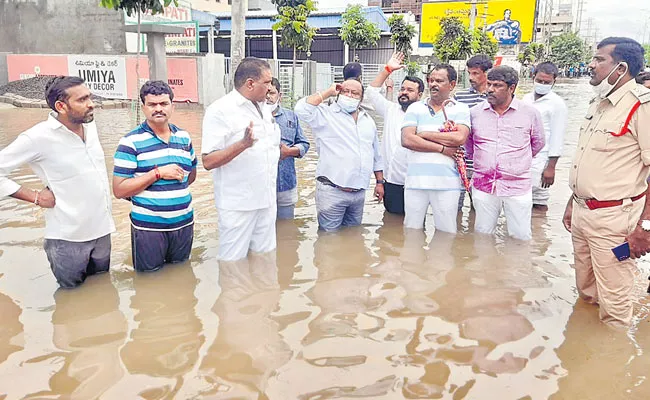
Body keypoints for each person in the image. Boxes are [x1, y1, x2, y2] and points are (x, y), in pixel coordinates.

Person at [562, 37, 650, 329]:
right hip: (583, 213)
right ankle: (584, 350)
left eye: (599, 60)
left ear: (621, 67)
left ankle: (613, 360)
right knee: (586, 291)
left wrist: (645, 227)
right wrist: (572, 203)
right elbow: (586, 160)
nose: (591, 65)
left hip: (615, 219)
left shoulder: (641, 106)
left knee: (615, 306)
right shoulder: (598, 103)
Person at [0, 76, 115, 288]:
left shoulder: (90, 126)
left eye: (89, 97)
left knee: (103, 294)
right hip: (68, 240)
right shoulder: (37, 137)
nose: (91, 104)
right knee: (71, 302)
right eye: (82, 100)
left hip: (102, 231)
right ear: (61, 106)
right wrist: (34, 197)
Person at [113, 81, 197, 272]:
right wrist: (157, 174)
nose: (158, 109)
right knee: (149, 285)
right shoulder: (130, 142)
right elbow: (119, 190)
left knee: (182, 277)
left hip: (184, 224)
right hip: (149, 229)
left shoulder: (184, 137)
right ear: (143, 107)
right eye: (152, 104)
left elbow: (190, 176)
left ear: (172, 106)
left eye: (163, 104)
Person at [202, 57, 280, 261]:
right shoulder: (220, 111)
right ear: (250, 84)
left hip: (266, 200)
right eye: (267, 82)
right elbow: (208, 161)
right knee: (233, 265)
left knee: (266, 259)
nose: (271, 87)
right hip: (238, 205)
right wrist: (242, 144)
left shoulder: (264, 108)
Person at [295, 79, 385, 231]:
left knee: (353, 237)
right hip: (332, 191)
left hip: (359, 193)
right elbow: (301, 109)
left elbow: (376, 154)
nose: (349, 95)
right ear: (338, 93)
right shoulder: (325, 114)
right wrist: (327, 92)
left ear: (361, 98)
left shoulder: (368, 121)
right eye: (345, 91)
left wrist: (379, 182)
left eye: (355, 93)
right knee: (328, 241)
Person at [467, 66, 545, 241]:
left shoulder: (530, 113)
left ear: (512, 88)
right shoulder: (475, 113)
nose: (490, 90)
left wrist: (516, 162)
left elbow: (538, 143)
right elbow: (469, 145)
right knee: (482, 234)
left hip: (517, 186)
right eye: (489, 84)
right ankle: (485, 269)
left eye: (497, 85)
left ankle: (514, 269)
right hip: (483, 184)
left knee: (520, 237)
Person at [401, 64, 471, 232]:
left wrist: (424, 134)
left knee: (447, 233)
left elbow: (459, 138)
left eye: (439, 81)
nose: (433, 84)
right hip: (415, 182)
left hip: (448, 184)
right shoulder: (415, 108)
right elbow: (407, 140)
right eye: (431, 80)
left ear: (452, 85)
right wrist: (443, 149)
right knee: (411, 232)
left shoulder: (460, 109)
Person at [367, 52, 425, 214]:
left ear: (419, 95)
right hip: (391, 182)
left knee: (415, 226)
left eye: (410, 90)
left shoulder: (426, 116)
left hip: (416, 183)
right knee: (390, 225)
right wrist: (388, 69)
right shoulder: (390, 110)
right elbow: (371, 92)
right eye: (402, 89)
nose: (404, 92)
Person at [522, 62, 569, 212]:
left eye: (547, 82)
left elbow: (557, 136)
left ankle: (539, 228)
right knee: (520, 198)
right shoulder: (526, 99)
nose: (542, 84)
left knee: (539, 200)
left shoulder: (557, 104)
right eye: (540, 80)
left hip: (543, 158)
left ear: (554, 82)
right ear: (533, 77)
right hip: (523, 155)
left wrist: (551, 167)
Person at [267, 77, 310, 220]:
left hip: (285, 184)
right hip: (259, 188)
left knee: (287, 232)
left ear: (280, 96)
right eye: (265, 92)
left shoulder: (291, 117)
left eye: (272, 93)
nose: (267, 97)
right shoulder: (251, 117)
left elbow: (304, 143)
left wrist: (290, 152)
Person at [454, 54, 493, 211]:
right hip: (460, 160)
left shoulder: (494, 97)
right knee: (454, 206)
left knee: (479, 209)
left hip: (483, 163)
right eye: (469, 73)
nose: (471, 77)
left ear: (486, 73)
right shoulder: (459, 96)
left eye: (475, 73)